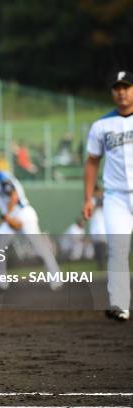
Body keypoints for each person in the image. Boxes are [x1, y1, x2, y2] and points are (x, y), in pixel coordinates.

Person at [82, 70, 133, 322]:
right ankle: (120, 305)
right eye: (117, 87)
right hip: (116, 197)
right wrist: (88, 198)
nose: (121, 91)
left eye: (126, 86)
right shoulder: (102, 125)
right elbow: (92, 162)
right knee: (118, 248)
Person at [0, 156, 62, 291]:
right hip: (12, 216)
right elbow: (5, 202)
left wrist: (7, 216)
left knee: (39, 247)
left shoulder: (2, 176)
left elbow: (14, 197)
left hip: (23, 214)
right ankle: (0, 283)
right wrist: (5, 217)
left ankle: (56, 279)